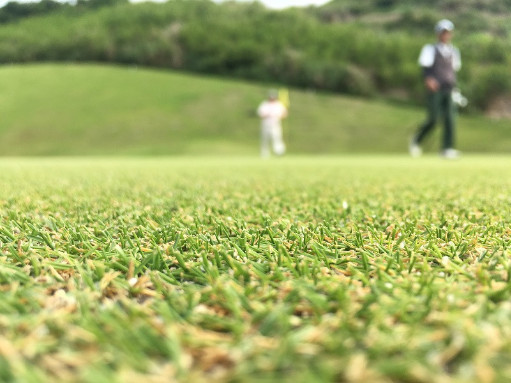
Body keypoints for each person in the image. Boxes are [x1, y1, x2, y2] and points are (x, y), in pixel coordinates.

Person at [410, 19, 462, 159]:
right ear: (438, 34)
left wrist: (455, 89)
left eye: (448, 32)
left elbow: (454, 70)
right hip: (435, 88)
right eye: (443, 32)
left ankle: (447, 148)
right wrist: (429, 80)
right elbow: (425, 69)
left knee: (450, 119)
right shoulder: (430, 49)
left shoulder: (454, 51)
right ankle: (417, 140)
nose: (445, 35)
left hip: (450, 88)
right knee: (433, 118)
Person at [257, 89, 288, 158]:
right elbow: (260, 114)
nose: (272, 99)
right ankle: (264, 154)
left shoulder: (279, 105)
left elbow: (285, 113)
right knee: (265, 139)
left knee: (277, 138)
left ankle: (279, 152)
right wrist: (267, 115)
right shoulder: (264, 104)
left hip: (276, 124)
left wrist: (280, 116)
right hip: (266, 124)